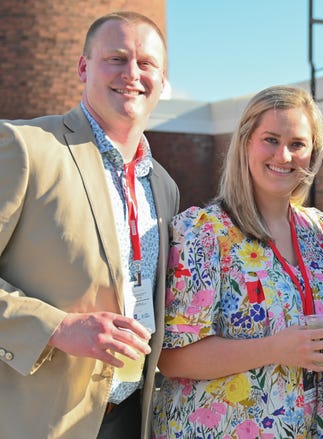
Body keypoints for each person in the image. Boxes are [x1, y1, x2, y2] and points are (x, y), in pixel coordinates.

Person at [0, 11, 179, 439]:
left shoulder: (166, 186)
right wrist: (58, 328)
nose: (132, 74)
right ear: (84, 67)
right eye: (116, 58)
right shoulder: (25, 148)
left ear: (162, 79)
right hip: (39, 421)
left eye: (146, 64)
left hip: (134, 418)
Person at [152, 85, 323, 438]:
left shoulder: (321, 232)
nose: (284, 155)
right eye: (270, 139)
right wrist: (276, 348)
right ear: (245, 143)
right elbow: (170, 358)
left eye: (298, 144)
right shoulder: (204, 232)